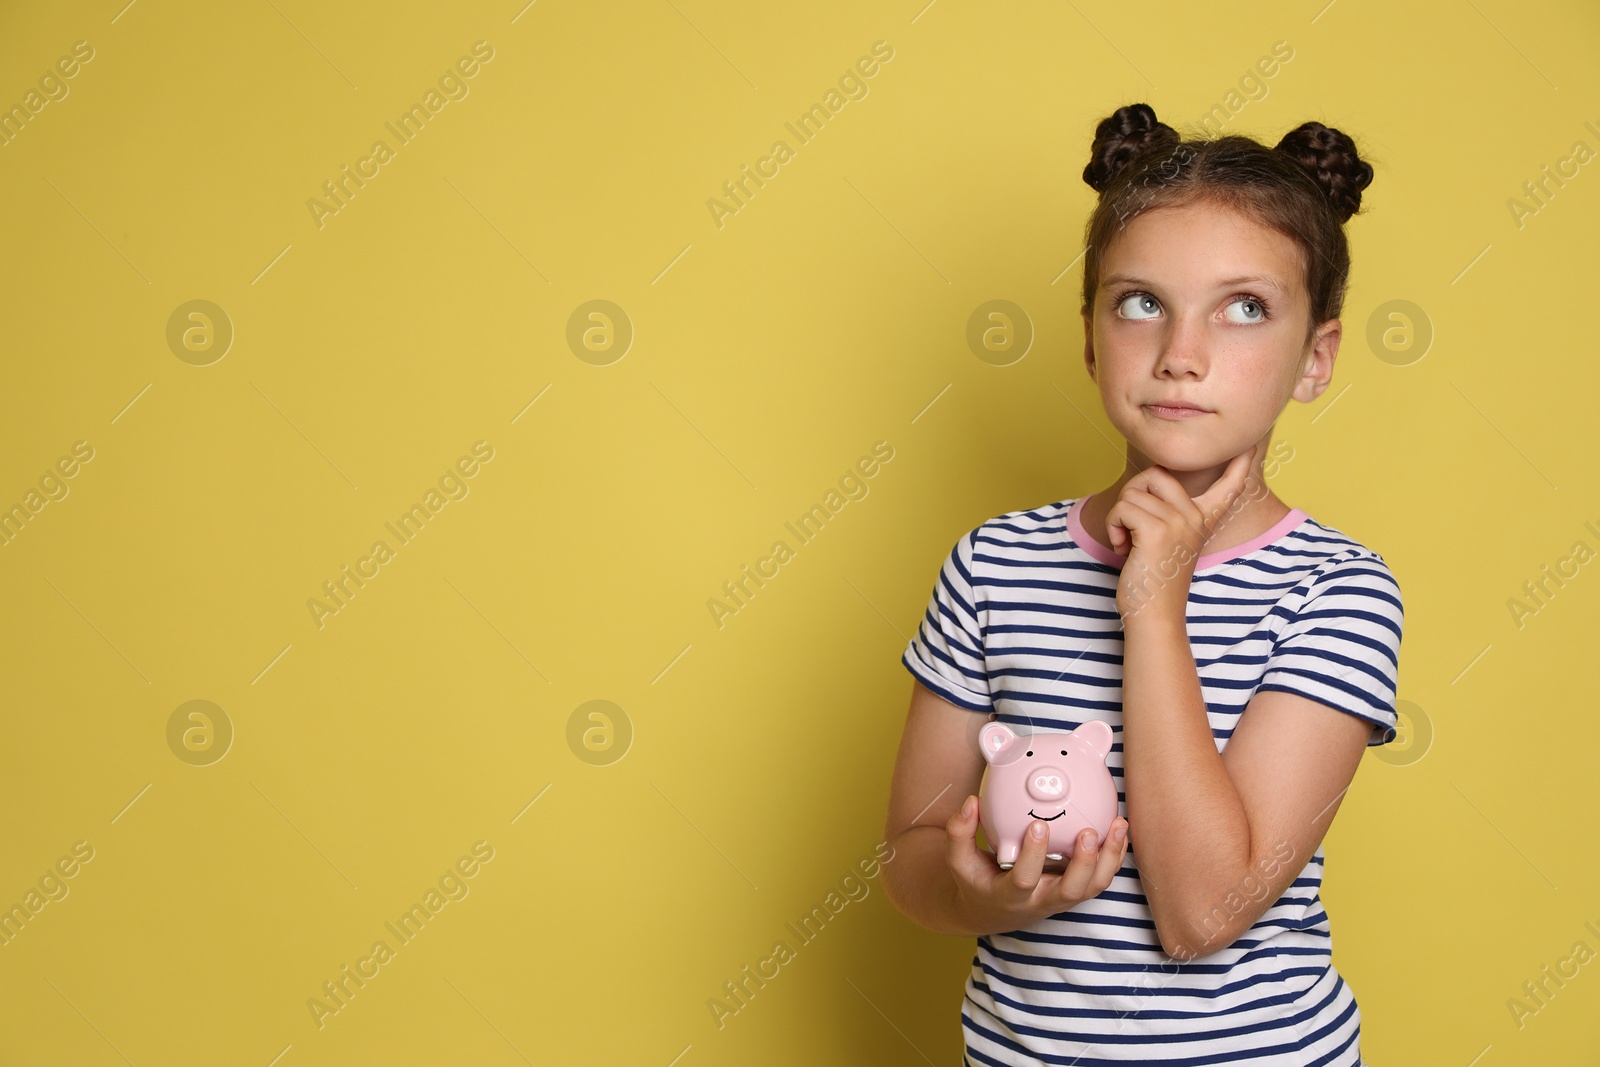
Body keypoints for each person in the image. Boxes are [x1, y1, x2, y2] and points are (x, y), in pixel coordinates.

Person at [880, 102, 1403, 1065]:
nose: (1181, 353)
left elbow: (1206, 912)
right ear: (1090, 338)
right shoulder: (995, 563)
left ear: (1314, 358)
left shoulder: (1341, 589)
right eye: (1140, 302)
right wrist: (978, 895)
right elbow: (910, 861)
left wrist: (1155, 606)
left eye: (1245, 307)